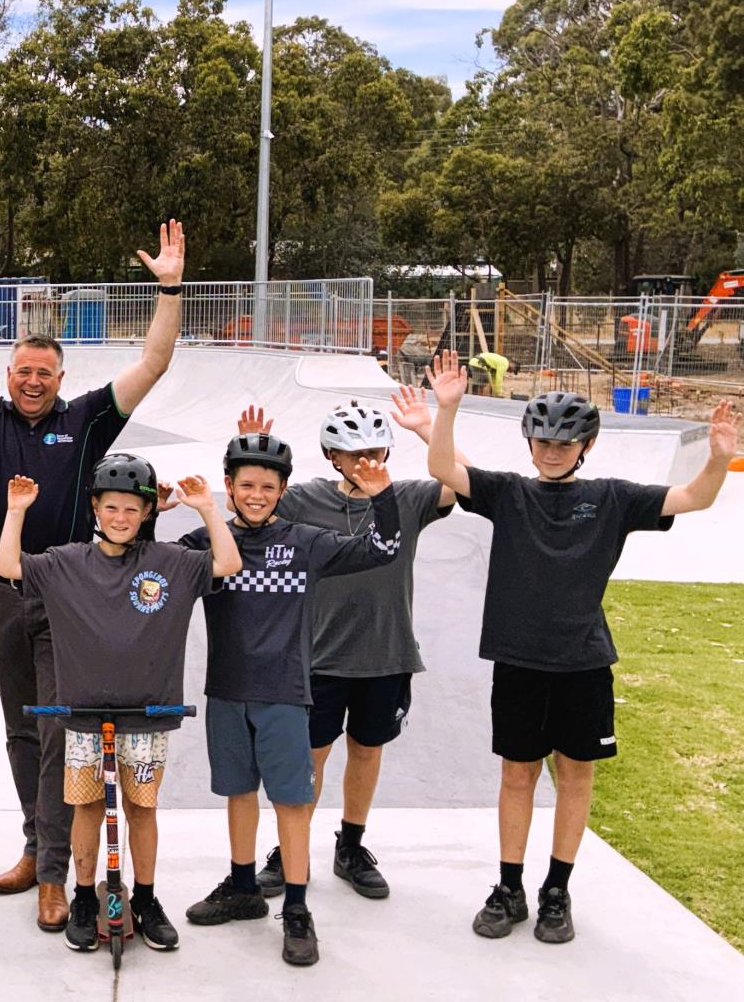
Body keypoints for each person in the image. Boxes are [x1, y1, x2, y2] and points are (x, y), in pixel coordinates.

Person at [0, 207, 187, 933]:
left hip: (70, 599)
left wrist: (169, 291)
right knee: (20, 729)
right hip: (1, 593)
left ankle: (49, 876)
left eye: (44, 372)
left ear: (61, 378)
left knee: (59, 730)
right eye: (22, 371)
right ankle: (36, 846)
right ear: (8, 376)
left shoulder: (94, 417)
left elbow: (155, 362)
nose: (32, 380)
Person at [422, 350, 737, 946]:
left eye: (563, 444)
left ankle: (556, 891)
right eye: (541, 440)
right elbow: (443, 465)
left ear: (584, 447)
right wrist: (447, 409)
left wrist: (718, 460)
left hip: (583, 662)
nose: (550, 450)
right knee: (517, 774)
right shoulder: (508, 492)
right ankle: (509, 887)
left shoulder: (614, 498)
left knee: (575, 775)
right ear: (529, 441)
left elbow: (694, 498)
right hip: (518, 659)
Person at [0, 456, 241, 954]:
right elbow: (7, 567)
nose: (121, 517)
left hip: (145, 716)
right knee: (86, 807)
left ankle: (146, 899)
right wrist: (16, 510)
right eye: (111, 507)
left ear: (148, 512)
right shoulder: (66, 562)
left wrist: (208, 511)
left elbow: (229, 564)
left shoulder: (169, 560)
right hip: (83, 717)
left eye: (133, 509)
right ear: (95, 507)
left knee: (141, 810)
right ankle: (85, 896)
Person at [177, 430, 401, 968]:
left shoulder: (306, 541)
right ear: (228, 486)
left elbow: (382, 549)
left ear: (283, 491)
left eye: (268, 487)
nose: (256, 494)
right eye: (246, 484)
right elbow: (144, 561)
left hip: (284, 693)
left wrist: (383, 497)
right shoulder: (204, 539)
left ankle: (297, 910)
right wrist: (159, 507)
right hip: (227, 692)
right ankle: (241, 887)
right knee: (237, 793)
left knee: (292, 804)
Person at [232, 393, 467, 901]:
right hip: (317, 656)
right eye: (354, 455)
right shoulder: (304, 499)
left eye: (376, 453)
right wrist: (249, 456)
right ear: (331, 457)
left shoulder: (406, 498)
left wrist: (430, 429)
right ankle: (289, 851)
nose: (366, 464)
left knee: (366, 750)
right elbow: (250, 504)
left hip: (385, 652)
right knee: (308, 758)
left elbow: (464, 482)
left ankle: (352, 846)